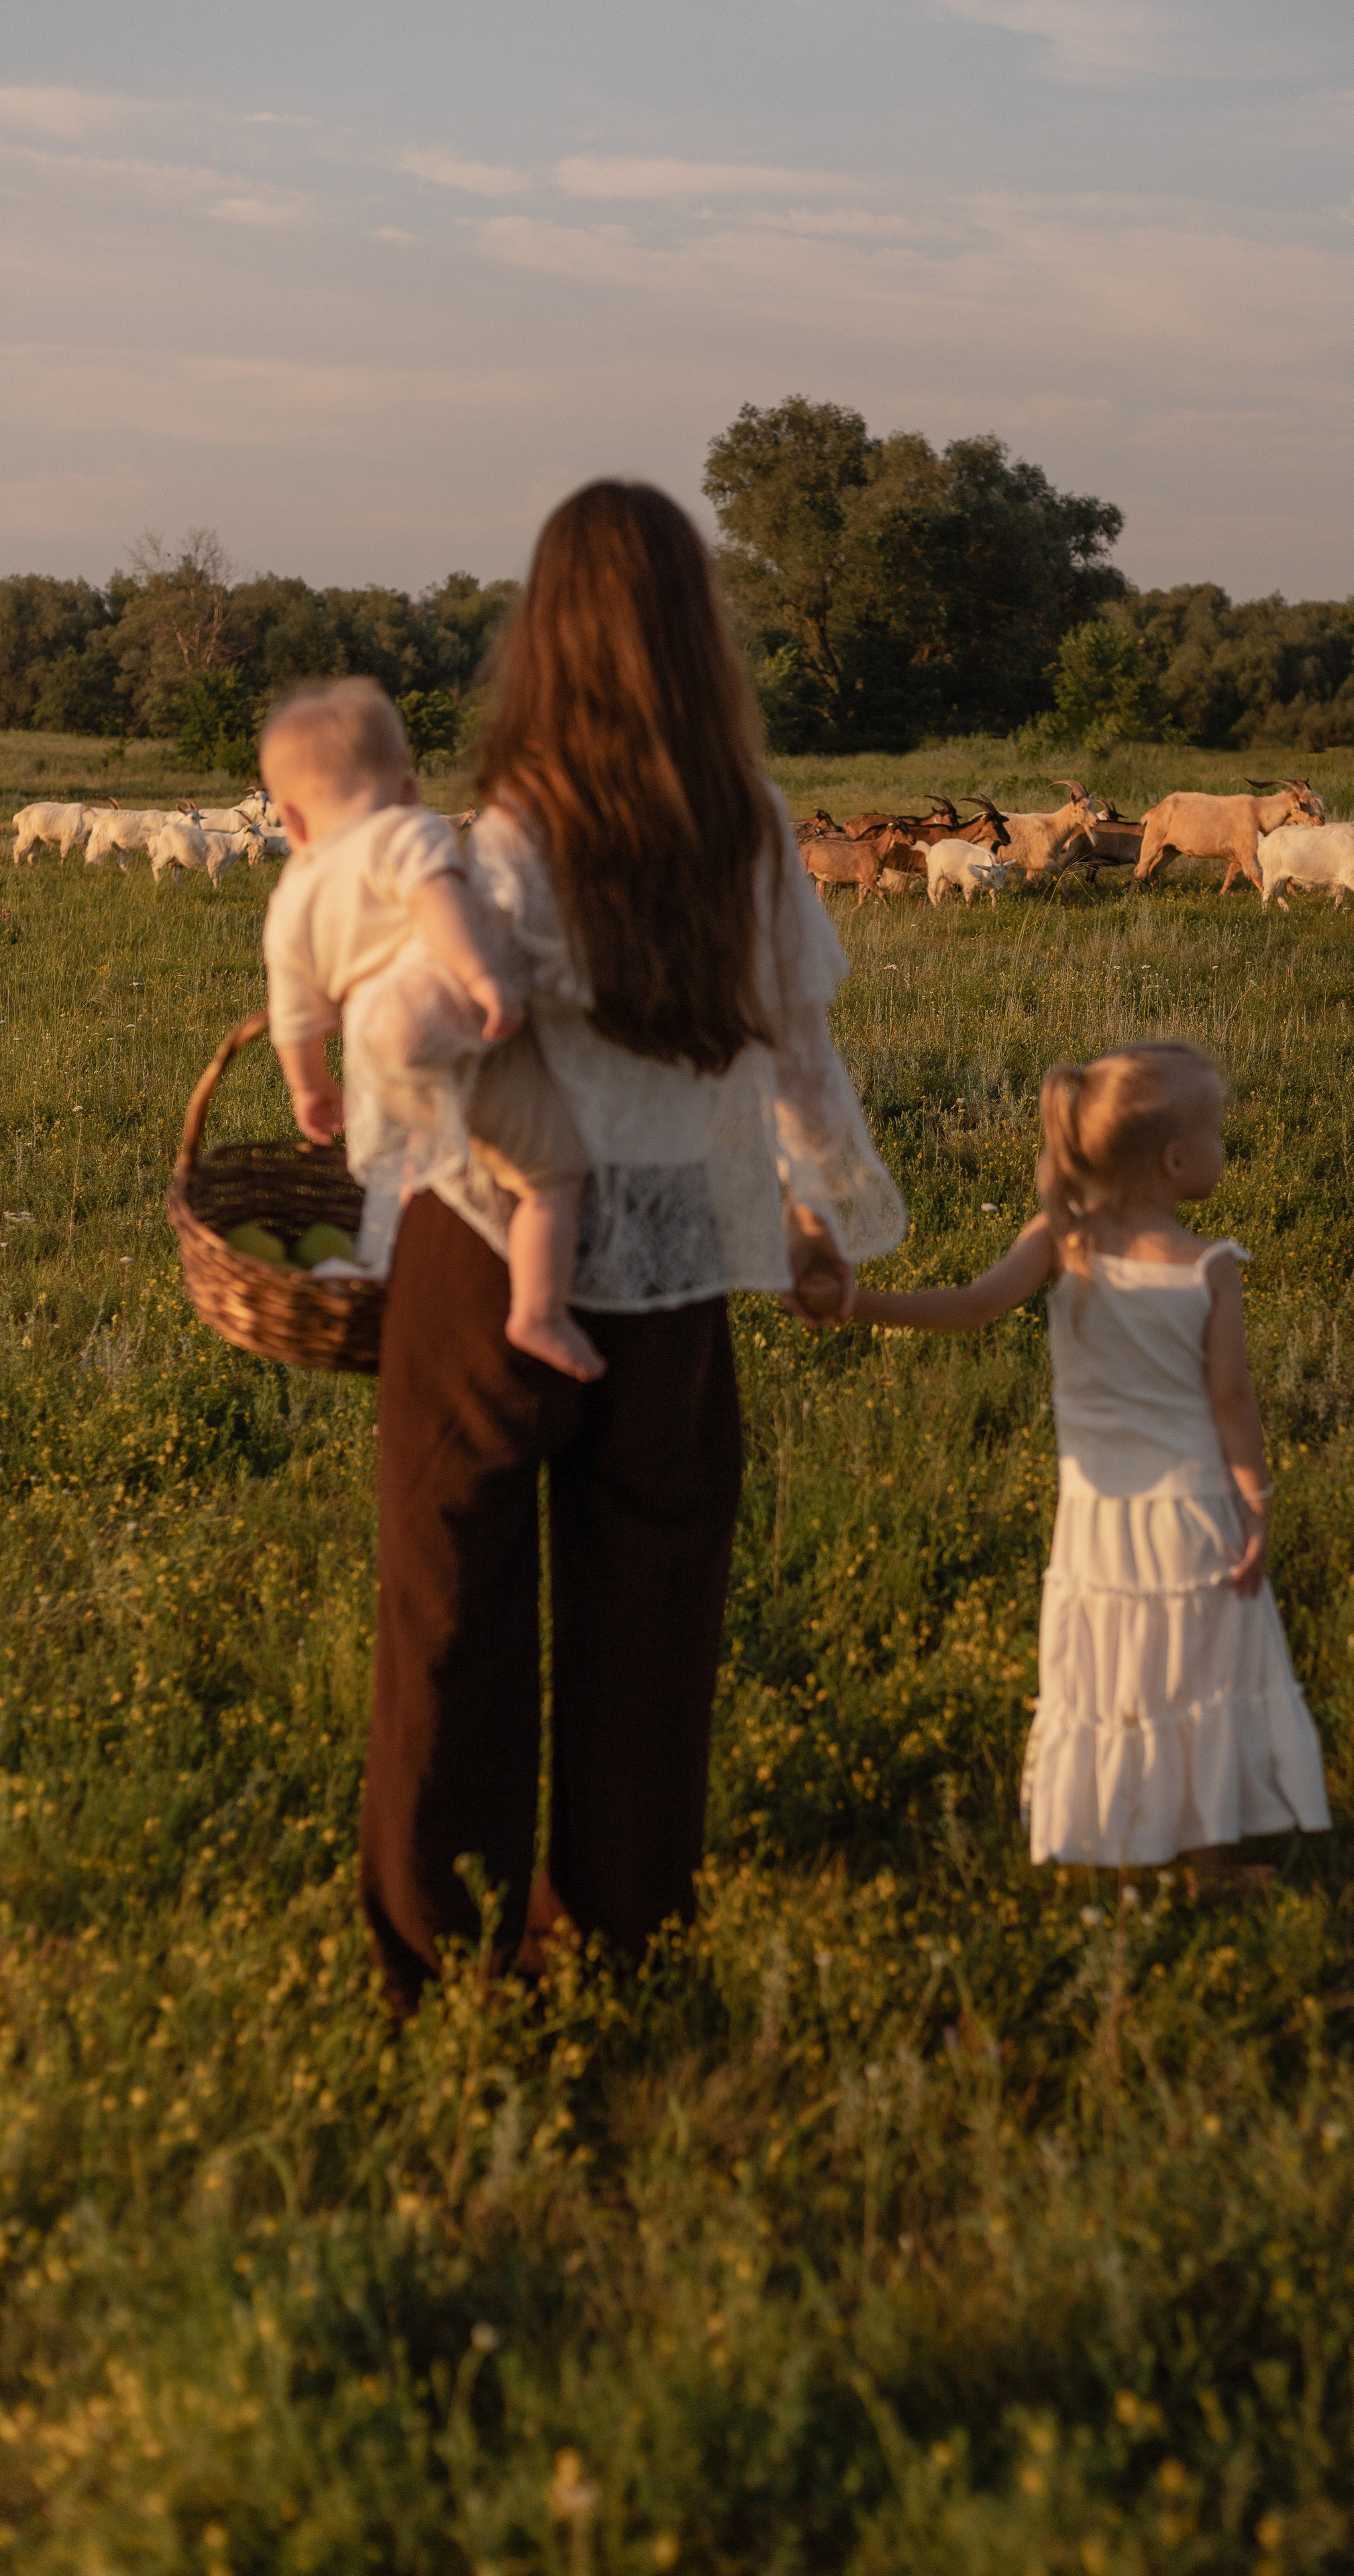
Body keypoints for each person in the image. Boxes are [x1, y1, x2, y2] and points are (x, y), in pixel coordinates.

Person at [356, 483, 906, 2008]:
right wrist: (820, 1217)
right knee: (652, 1601)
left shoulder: (513, 828)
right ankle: (622, 1930)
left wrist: (376, 1067)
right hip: (672, 1262)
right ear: (694, 632)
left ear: (545, 634)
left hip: (491, 1255)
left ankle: (437, 1960)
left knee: (452, 1604)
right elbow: (800, 1052)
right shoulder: (746, 826)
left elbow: (413, 1036)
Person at [848, 1042, 1329, 1880]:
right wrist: (1255, 1500)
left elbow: (971, 1307)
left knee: (1118, 1678)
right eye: (1217, 1133)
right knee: (1198, 1681)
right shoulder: (1210, 1268)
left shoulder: (1061, 1239)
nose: (1225, 1146)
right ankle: (1207, 1863)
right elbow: (1232, 1401)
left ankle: (1119, 1841)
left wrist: (857, 1304)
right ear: (1176, 1161)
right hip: (1194, 1510)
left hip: (1096, 1520)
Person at [259, 678, 604, 1381]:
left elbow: (292, 1016)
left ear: (291, 822)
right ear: (410, 788)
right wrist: (483, 980)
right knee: (550, 1174)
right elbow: (437, 901)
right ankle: (537, 1310)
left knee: (406, 1174)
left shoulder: (292, 896)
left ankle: (376, 1273)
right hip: (434, 1014)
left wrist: (310, 1088)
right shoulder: (405, 830)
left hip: (370, 1049)